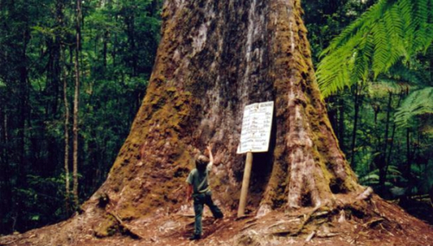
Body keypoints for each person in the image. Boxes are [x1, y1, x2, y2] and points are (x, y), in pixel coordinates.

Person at [186, 145, 223, 240]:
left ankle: (198, 233)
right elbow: (211, 161)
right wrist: (210, 150)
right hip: (207, 193)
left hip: (198, 196)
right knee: (211, 204)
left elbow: (189, 186)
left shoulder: (193, 173)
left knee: (198, 215)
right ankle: (219, 215)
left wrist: (188, 196)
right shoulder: (207, 169)